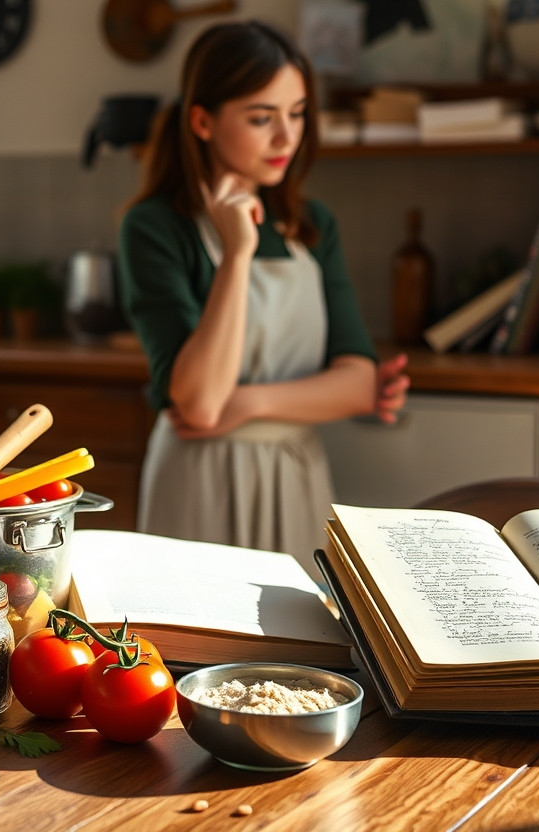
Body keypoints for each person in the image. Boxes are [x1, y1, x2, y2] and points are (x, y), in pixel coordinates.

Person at [117, 20, 408, 586]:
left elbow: (357, 382)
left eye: (297, 113)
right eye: (261, 118)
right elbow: (199, 403)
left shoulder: (313, 225)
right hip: (197, 480)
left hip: (296, 477)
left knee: (305, 660)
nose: (286, 137)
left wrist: (248, 403)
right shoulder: (154, 227)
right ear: (202, 120)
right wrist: (237, 253)